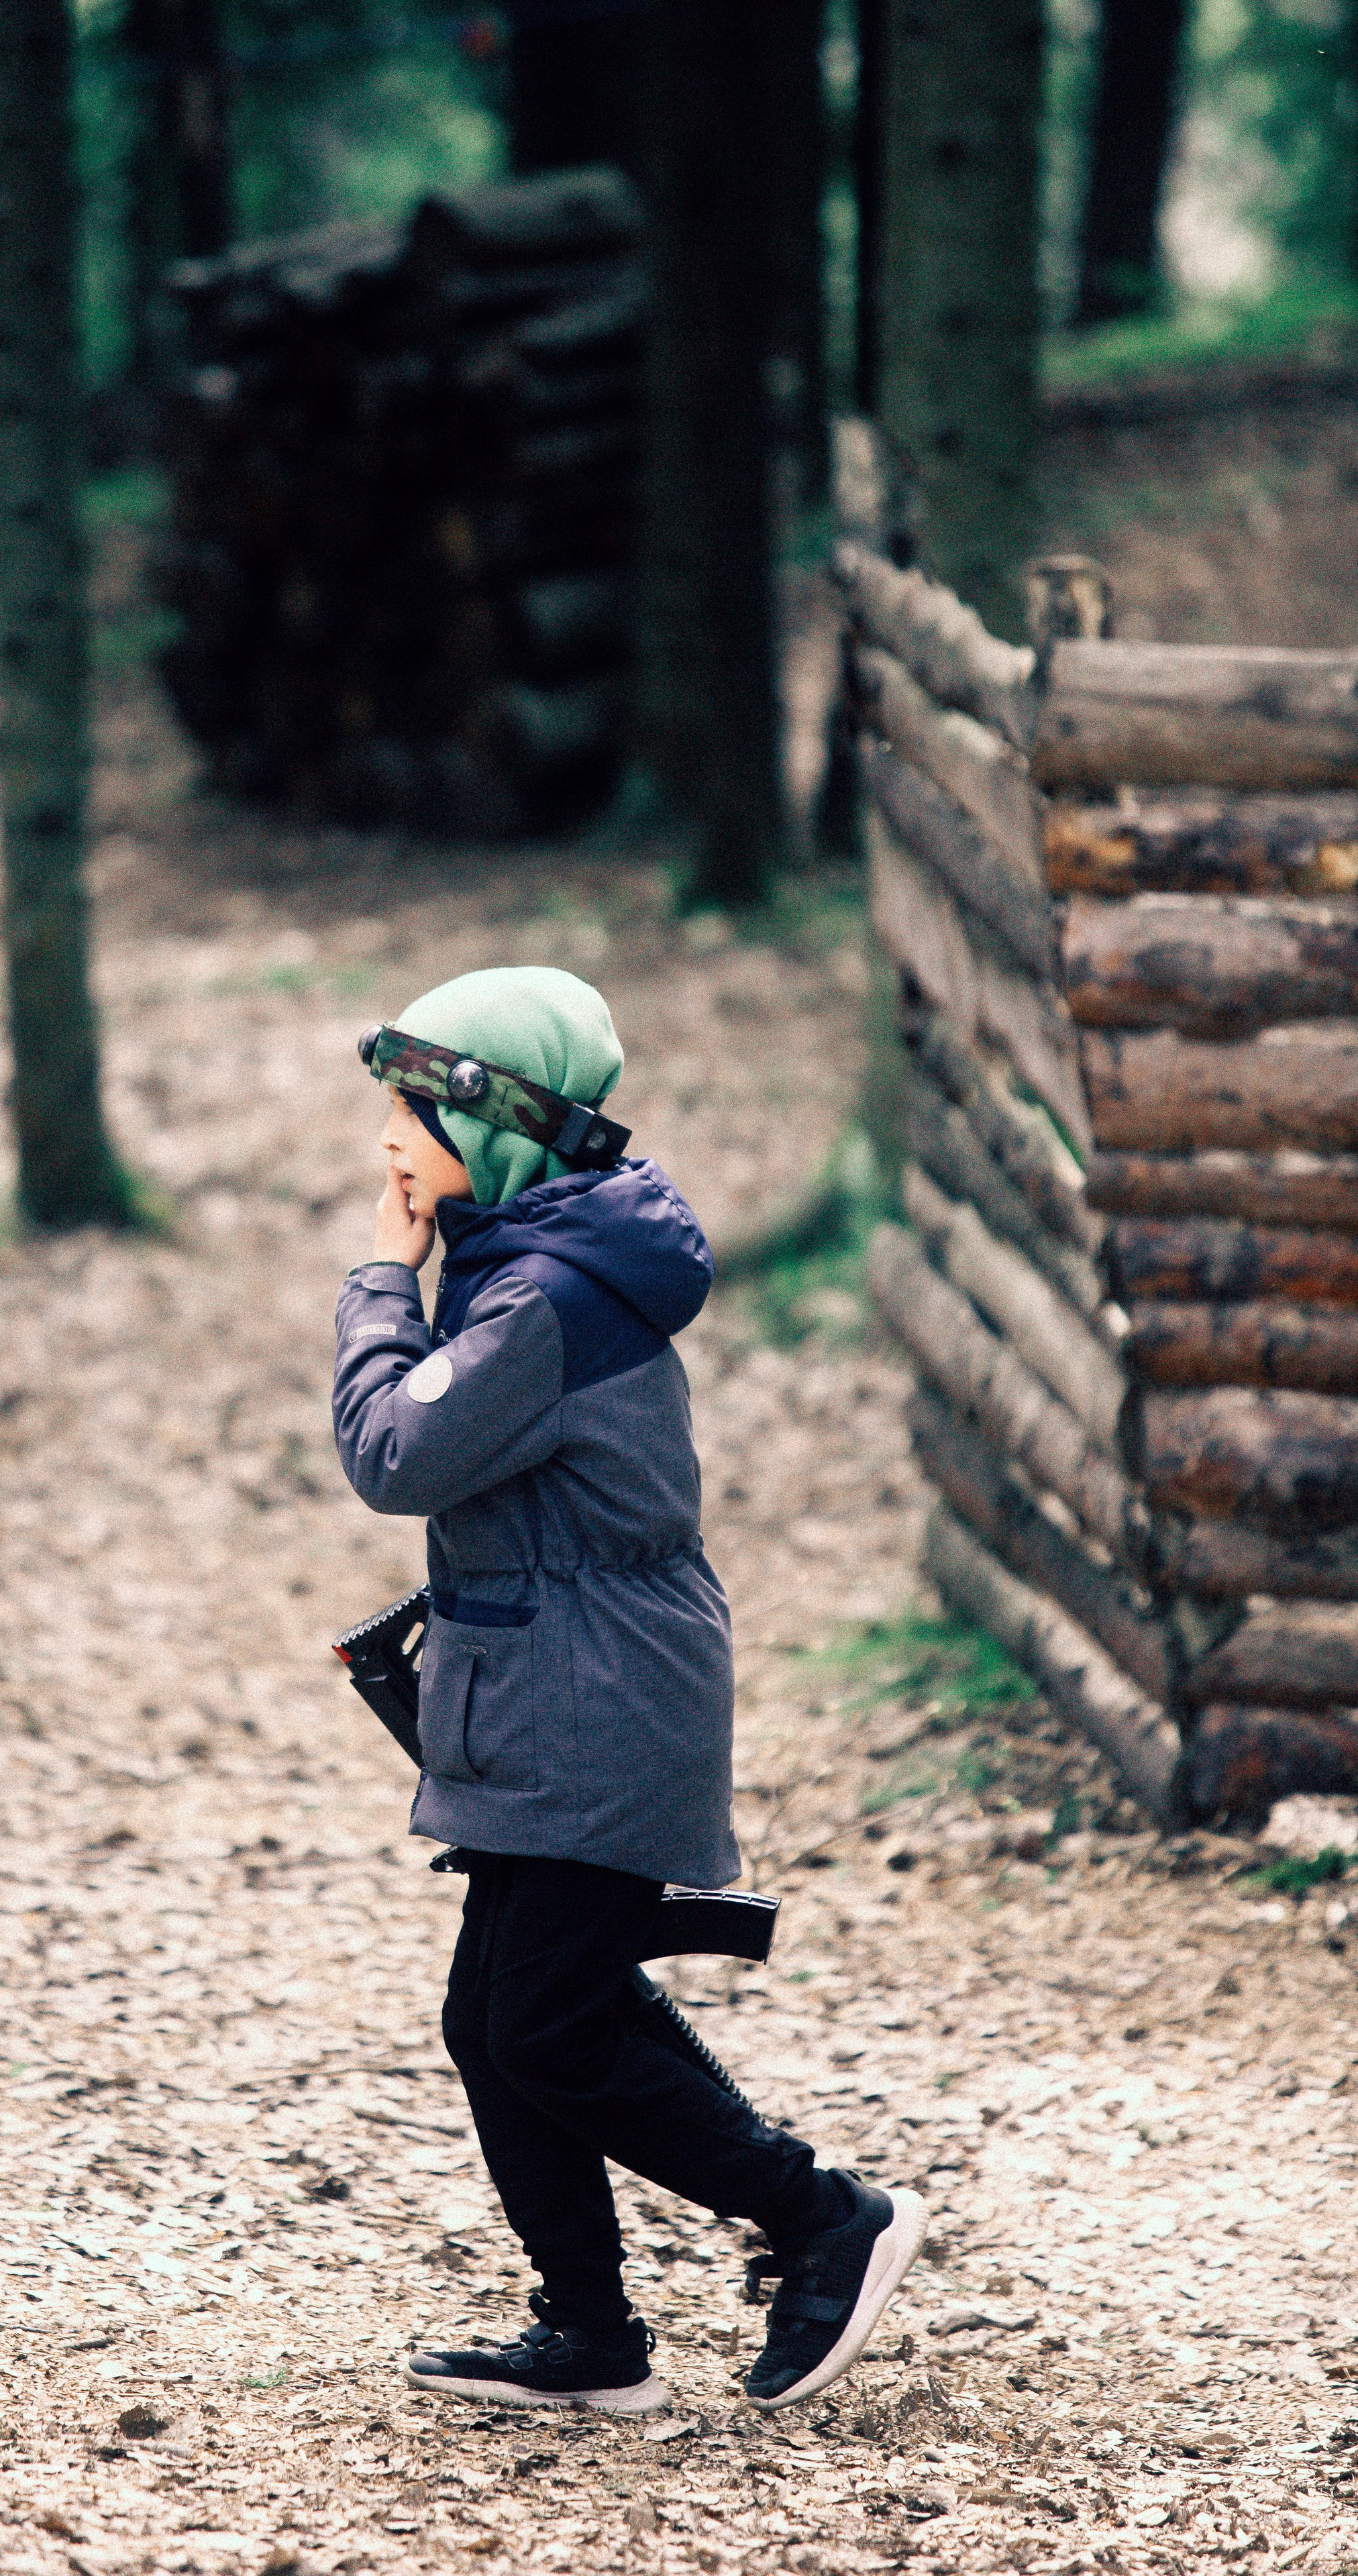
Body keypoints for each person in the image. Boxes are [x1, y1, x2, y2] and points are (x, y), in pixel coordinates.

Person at [331, 967, 924, 2414]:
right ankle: (588, 2336)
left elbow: (392, 1455)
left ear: (510, 1124)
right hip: (555, 1687)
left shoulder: (540, 1300)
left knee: (536, 2022)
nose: (393, 1139)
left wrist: (374, 1286)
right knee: (505, 2018)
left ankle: (819, 2219)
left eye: (423, 1110)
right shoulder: (531, 1257)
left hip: (595, 1703)